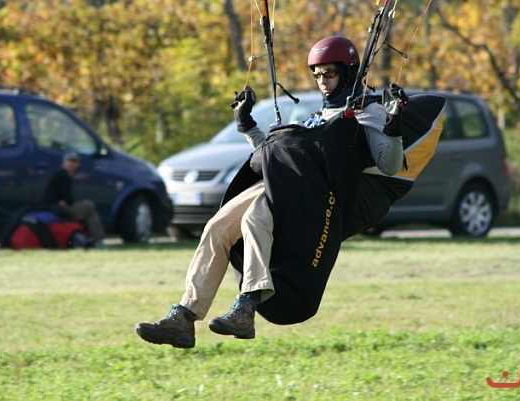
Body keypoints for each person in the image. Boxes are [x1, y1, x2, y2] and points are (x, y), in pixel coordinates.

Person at [135, 36, 407, 348]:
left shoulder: (366, 112)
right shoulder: (317, 114)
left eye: (329, 73)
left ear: (349, 73)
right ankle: (184, 318)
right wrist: (247, 125)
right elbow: (275, 154)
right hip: (277, 180)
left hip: (309, 193)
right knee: (216, 227)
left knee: (255, 218)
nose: (322, 81)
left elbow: (389, 164)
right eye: (316, 74)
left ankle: (246, 305)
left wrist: (394, 123)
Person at [42, 150, 108, 249]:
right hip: (56, 209)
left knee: (88, 208)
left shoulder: (64, 175)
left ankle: (90, 240)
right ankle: (97, 240)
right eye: (69, 161)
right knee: (89, 206)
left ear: (78, 164)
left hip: (59, 207)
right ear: (64, 161)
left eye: (74, 161)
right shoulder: (62, 175)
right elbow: (68, 199)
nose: (71, 164)